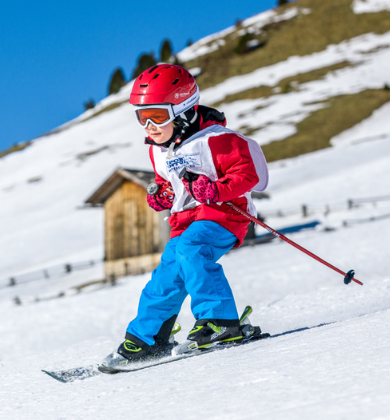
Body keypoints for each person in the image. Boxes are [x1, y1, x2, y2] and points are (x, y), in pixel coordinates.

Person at [110, 64, 269, 364]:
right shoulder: (158, 150)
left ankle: (220, 322)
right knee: (167, 274)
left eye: (157, 116)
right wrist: (162, 195)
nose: (149, 126)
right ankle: (148, 337)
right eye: (142, 117)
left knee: (191, 248)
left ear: (182, 110)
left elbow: (251, 174)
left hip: (224, 215)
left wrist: (216, 190)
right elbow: (165, 183)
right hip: (185, 222)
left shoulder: (216, 140)